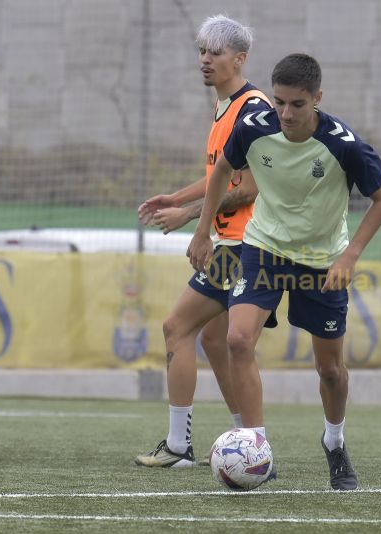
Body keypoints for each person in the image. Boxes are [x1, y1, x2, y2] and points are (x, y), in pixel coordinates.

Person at [187, 53, 381, 490]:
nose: (284, 113)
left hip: (322, 262)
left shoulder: (345, 145)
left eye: (296, 104)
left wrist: (350, 255)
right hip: (263, 248)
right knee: (237, 339)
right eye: (279, 102)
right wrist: (202, 232)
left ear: (317, 99)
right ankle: (257, 450)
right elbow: (223, 168)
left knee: (330, 371)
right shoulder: (255, 127)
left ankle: (334, 443)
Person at [134, 15, 274, 468]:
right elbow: (221, 176)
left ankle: (180, 446)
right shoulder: (224, 108)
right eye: (202, 51)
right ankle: (251, 444)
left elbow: (250, 188)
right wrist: (177, 196)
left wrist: (194, 221)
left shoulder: (252, 108)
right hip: (238, 244)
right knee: (216, 342)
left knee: (177, 327)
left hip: (245, 246)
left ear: (240, 58)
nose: (205, 59)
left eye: (215, 52)